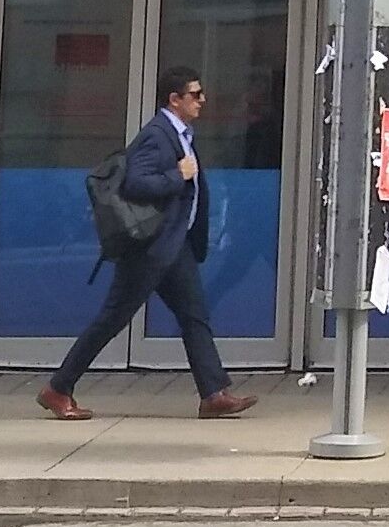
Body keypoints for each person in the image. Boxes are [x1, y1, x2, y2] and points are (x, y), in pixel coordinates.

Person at [39, 65, 253, 422]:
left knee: (194, 315)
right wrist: (177, 176)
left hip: (174, 245)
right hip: (150, 248)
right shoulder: (157, 135)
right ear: (175, 99)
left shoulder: (182, 134)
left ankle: (213, 394)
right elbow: (136, 184)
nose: (203, 100)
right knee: (112, 318)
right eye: (195, 94)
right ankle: (58, 389)